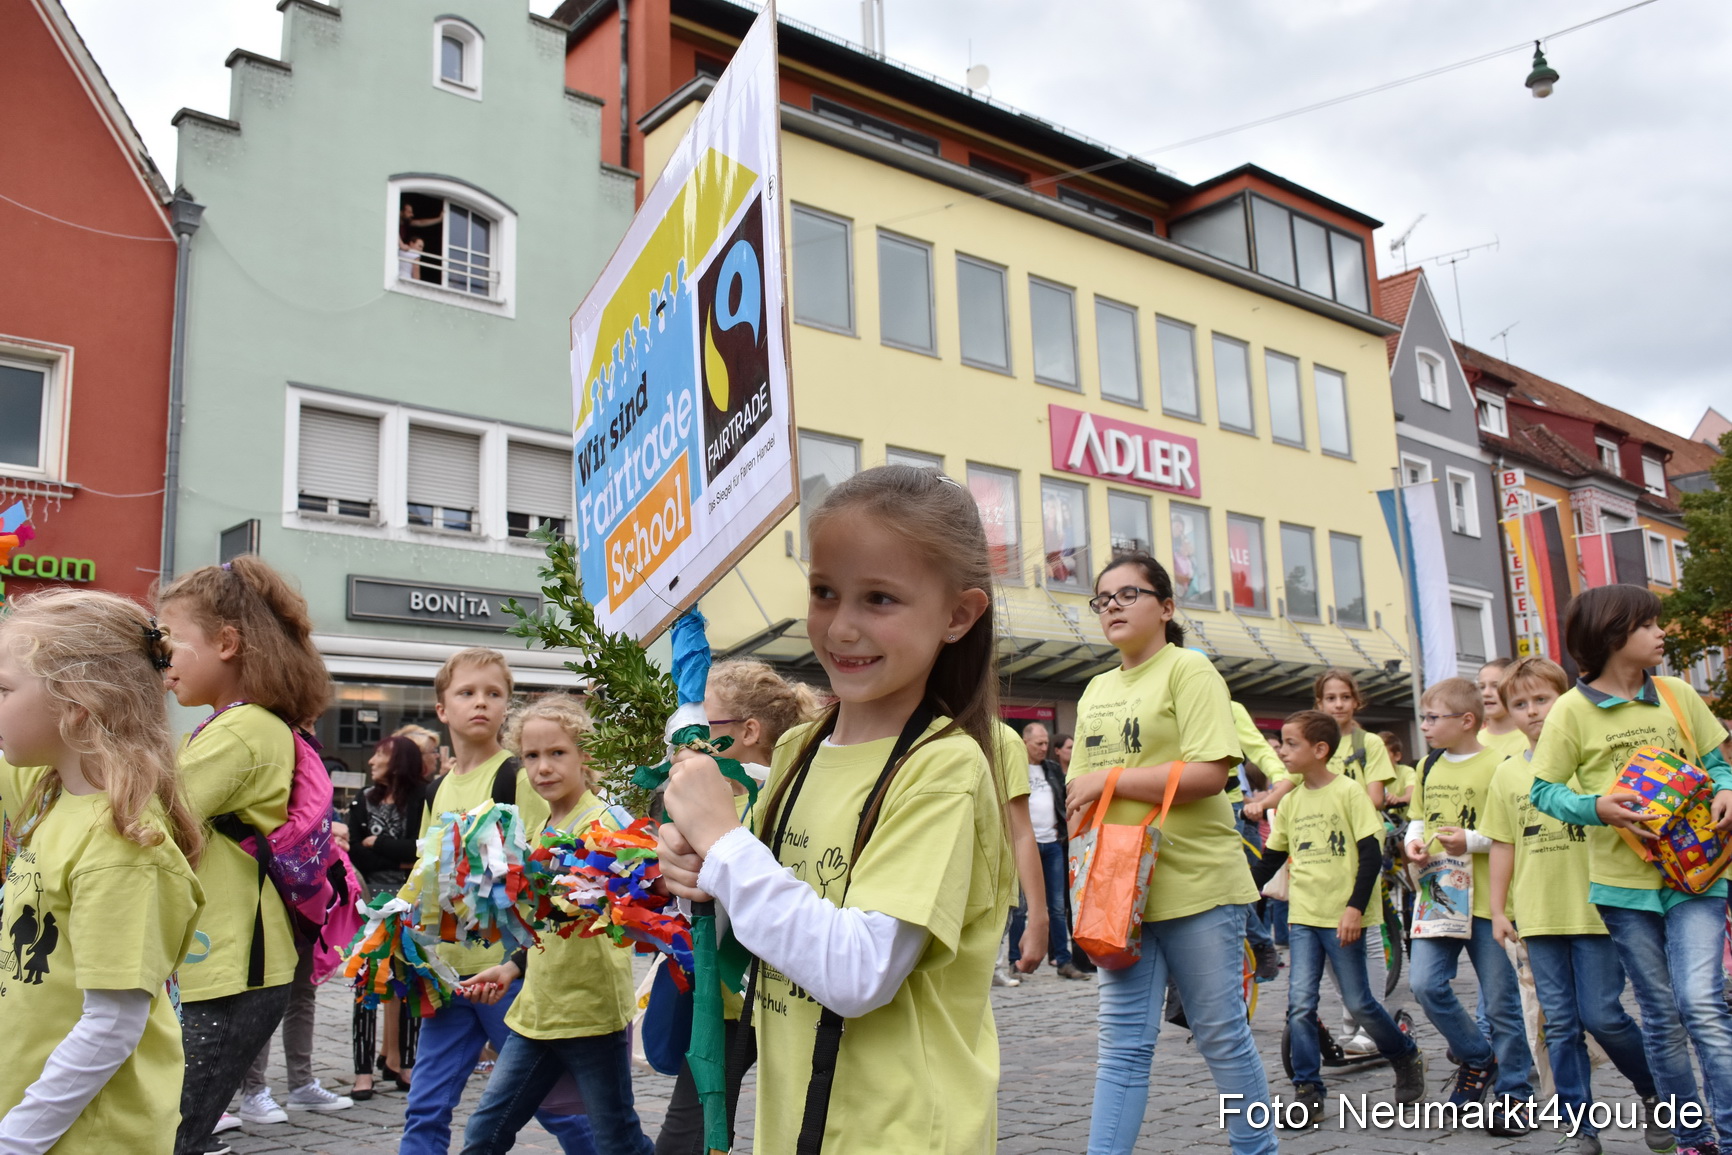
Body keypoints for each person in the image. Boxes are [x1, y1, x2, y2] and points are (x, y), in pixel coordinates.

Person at [658, 464, 1014, 1154]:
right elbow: (765, 923)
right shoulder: (795, 748)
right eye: (824, 592)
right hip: (798, 1123)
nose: (842, 626)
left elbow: (858, 972)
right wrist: (700, 876)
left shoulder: (942, 767)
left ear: (958, 614)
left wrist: (724, 841)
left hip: (901, 1132)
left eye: (879, 598)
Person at [1062, 551, 1272, 1155]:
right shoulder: (1097, 688)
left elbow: (1212, 774)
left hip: (1197, 884)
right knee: (1122, 1042)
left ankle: (1257, 1150)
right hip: (1117, 889)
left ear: (1166, 607)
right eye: (1103, 600)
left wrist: (1114, 781)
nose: (1112, 608)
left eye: (1129, 595)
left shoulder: (1190, 671)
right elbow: (1079, 789)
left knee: (1221, 1034)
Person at [0, 589, 206, 1154]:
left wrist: (16, 1140)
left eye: (4, 689)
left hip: (88, 1136)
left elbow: (113, 1023)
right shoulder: (56, 799)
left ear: (75, 704)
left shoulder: (122, 844)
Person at [1529, 585, 1732, 1155]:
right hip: (1624, 888)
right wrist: (1597, 807)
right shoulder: (1569, 709)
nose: (1661, 632)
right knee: (1663, 1018)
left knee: (1702, 1004)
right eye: (1649, 624)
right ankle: (1692, 1138)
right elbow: (1544, 790)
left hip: (1699, 875)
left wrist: (1728, 790)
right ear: (1613, 634)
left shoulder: (1677, 693)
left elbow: (1718, 764)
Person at [157, 557, 334, 1155]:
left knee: (170, 1132)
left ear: (227, 643)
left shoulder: (244, 729)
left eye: (169, 643)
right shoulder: (232, 725)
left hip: (231, 967)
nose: (160, 660)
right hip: (222, 962)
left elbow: (149, 820)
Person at [398, 649, 595, 1155]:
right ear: (442, 708)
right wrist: (398, 930)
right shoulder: (437, 789)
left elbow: (553, 858)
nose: (480, 703)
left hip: (508, 977)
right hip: (450, 975)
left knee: (558, 1107)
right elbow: (423, 875)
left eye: (493, 694)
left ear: (507, 705)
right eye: (466, 693)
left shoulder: (521, 776)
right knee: (425, 1105)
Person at [1484, 656, 1667, 1155]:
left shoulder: (1589, 764)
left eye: (1542, 699)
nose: (1532, 711)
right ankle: (1580, 1129)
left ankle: (1655, 1092)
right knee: (1560, 1023)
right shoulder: (1506, 776)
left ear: (1564, 700)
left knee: (1604, 1015)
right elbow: (1503, 843)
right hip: (1539, 915)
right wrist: (1500, 910)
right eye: (1519, 704)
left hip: (1596, 908)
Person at [458, 696, 652, 1155]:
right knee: (484, 1134)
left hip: (589, 1013)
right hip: (538, 1012)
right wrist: (510, 968)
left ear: (586, 755)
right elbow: (547, 924)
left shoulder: (603, 826)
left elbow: (625, 914)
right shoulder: (544, 824)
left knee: (617, 1141)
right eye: (532, 756)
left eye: (557, 753)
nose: (543, 767)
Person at [654, 659, 820, 1155]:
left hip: (780, 996)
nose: (691, 736)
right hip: (725, 1001)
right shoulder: (713, 796)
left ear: (748, 731)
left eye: (706, 726)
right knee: (692, 1132)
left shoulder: (785, 795)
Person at [1252, 709, 1424, 1125]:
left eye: (1291, 744)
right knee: (1300, 1005)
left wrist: (1353, 908)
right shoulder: (1290, 801)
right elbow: (1272, 858)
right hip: (1304, 918)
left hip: (1344, 916)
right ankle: (1309, 1088)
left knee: (1361, 1003)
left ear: (1320, 749)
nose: (1283, 751)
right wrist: (1238, 892)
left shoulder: (1349, 793)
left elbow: (1369, 855)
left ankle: (1404, 1055)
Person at [1402, 676, 1533, 1131]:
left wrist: (1471, 841)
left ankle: (1516, 1093)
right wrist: (1413, 843)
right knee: (1425, 984)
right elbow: (1418, 818)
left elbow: (1508, 831)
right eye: (1424, 716)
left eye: (1433, 717)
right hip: (1440, 897)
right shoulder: (1428, 766)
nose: (1426, 725)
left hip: (1490, 902)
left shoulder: (1500, 764)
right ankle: (1479, 1058)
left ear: (1467, 720)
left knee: (1501, 1004)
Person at [348, 736, 435, 1099]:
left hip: (409, 902)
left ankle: (407, 1064)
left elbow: (422, 849)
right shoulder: (362, 800)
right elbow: (357, 852)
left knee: (409, 979)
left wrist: (379, 845)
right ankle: (363, 1072)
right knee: (366, 982)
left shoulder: (422, 798)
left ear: (397, 760)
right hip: (371, 902)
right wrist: (393, 855)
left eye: (380, 754)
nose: (371, 761)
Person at [1007, 722, 1087, 979]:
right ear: (1025, 743)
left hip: (1052, 843)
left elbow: (1065, 799)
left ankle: (1064, 961)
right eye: (1038, 744)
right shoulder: (1014, 766)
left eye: (1045, 743)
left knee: (1057, 906)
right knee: (1020, 907)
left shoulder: (1051, 770)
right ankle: (1015, 962)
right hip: (1024, 845)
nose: (1044, 748)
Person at [1229, 702, 1287, 981]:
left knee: (1231, 889)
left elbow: (1260, 750)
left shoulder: (1228, 708)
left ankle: (1261, 943)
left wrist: (1278, 781)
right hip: (1171, 810)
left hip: (1225, 810)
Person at [993, 719, 1049, 987]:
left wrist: (1039, 918)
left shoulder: (1002, 741)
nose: (1044, 748)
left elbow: (1020, 831)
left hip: (988, 887)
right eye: (1040, 742)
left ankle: (1001, 966)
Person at [1476, 658, 1527, 760]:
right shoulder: (1473, 740)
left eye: (1495, 686)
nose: (1486, 693)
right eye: (1481, 687)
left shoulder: (1532, 739)